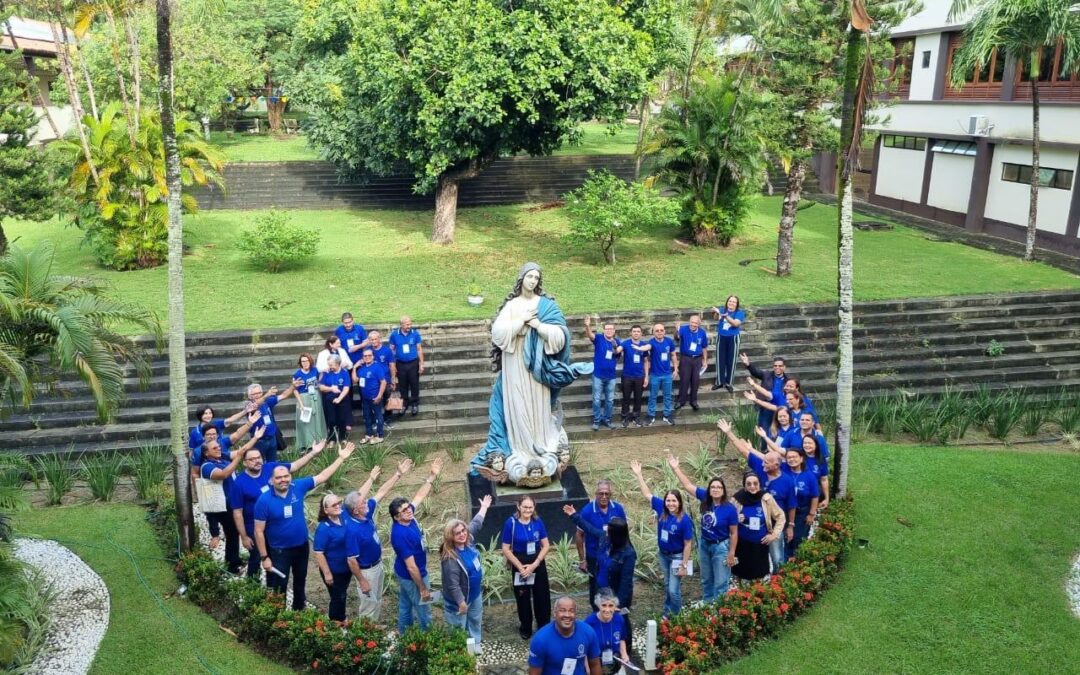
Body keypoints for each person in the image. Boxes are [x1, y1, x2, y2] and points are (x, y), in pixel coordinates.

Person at [470, 263, 589, 483]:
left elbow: (561, 335)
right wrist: (521, 322)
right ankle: (519, 449)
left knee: (538, 406)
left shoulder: (546, 306)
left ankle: (540, 447)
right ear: (521, 278)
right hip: (515, 366)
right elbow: (498, 333)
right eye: (529, 276)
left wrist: (537, 325)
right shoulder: (513, 305)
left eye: (537, 277)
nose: (533, 280)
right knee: (518, 406)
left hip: (537, 368)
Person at [253, 442, 355, 610]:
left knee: (300, 581)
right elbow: (258, 531)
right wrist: (265, 557)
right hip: (279, 550)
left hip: (301, 547)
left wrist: (341, 458)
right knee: (280, 585)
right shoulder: (263, 501)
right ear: (271, 480)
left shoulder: (298, 487)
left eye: (286, 476)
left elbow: (322, 476)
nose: (283, 480)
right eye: (278, 477)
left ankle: (299, 611)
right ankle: (278, 618)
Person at [230, 440, 326, 578]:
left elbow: (294, 466)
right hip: (255, 528)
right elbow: (237, 513)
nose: (257, 461)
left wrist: (314, 452)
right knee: (257, 558)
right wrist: (244, 537)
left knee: (274, 562)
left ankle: (273, 587)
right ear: (244, 462)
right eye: (252, 459)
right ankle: (252, 588)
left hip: (275, 526)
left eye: (259, 458)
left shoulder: (271, 468)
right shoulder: (239, 483)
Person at [344, 458, 415, 619]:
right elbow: (351, 561)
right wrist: (362, 581)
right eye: (363, 502)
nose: (367, 502)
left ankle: (373, 630)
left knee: (377, 600)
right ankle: (366, 639)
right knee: (368, 605)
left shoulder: (365, 514)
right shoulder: (352, 531)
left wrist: (398, 474)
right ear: (356, 510)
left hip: (377, 565)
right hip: (366, 571)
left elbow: (381, 492)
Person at [721, 421, 796, 570]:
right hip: (758, 523)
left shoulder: (787, 481)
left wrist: (790, 526)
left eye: (766, 463)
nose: (762, 465)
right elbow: (744, 451)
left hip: (775, 526)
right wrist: (729, 433)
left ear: (776, 465)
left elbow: (791, 505)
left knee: (777, 559)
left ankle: (779, 586)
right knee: (756, 560)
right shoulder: (761, 470)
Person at [667, 454, 739, 602]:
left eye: (719, 487)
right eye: (713, 487)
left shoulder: (730, 509)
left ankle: (720, 612)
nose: (716, 489)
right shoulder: (705, 498)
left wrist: (731, 553)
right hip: (705, 544)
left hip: (721, 547)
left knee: (720, 582)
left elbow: (734, 533)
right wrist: (676, 468)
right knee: (706, 580)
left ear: (723, 490)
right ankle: (707, 610)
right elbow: (688, 486)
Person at [564, 508, 636, 654]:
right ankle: (603, 644)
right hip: (601, 589)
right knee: (602, 616)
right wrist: (574, 515)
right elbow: (589, 529)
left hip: (616, 595)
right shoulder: (605, 538)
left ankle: (625, 648)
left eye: (609, 531)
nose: (606, 532)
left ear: (617, 535)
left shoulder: (628, 554)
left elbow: (626, 581)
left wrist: (618, 604)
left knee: (620, 621)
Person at [629, 460, 693, 616]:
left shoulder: (684, 520)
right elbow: (647, 494)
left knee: (673, 589)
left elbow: (688, 544)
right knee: (667, 585)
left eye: (674, 501)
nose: (671, 503)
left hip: (677, 556)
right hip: (663, 555)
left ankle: (676, 617)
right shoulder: (661, 509)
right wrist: (639, 475)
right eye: (668, 500)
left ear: (679, 502)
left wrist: (684, 564)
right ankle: (667, 612)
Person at [198, 420, 263, 574]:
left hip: (231, 501)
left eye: (219, 446)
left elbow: (242, 451)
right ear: (206, 453)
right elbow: (224, 474)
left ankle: (235, 560)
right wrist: (238, 459)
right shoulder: (207, 466)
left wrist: (256, 438)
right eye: (215, 448)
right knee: (232, 532)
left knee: (233, 533)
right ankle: (233, 564)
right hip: (222, 505)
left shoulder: (223, 457)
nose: (219, 448)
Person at [389, 457, 444, 633]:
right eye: (404, 510)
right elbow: (411, 567)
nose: (409, 510)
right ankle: (427, 642)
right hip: (413, 576)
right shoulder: (400, 534)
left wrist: (432, 476)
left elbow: (420, 495)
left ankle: (405, 635)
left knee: (405, 605)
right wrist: (422, 588)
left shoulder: (408, 519)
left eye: (408, 507)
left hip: (405, 574)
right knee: (424, 608)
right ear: (396, 517)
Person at [440, 495, 493, 649]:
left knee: (475, 621)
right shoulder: (450, 558)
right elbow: (453, 585)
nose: (462, 534)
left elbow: (476, 524)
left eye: (463, 530)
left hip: (474, 594)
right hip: (459, 601)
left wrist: (484, 507)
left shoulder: (468, 541)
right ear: (451, 537)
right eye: (458, 533)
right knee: (458, 628)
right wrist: (461, 603)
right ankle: (460, 653)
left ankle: (475, 647)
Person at [502, 495, 553, 639]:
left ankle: (544, 627)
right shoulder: (510, 523)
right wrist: (520, 567)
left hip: (537, 562)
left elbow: (546, 545)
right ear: (518, 506)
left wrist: (535, 564)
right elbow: (505, 548)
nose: (528, 510)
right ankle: (526, 627)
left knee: (542, 597)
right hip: (520, 563)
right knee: (522, 597)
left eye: (530, 507)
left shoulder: (537, 521)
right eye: (525, 507)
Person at [574, 480, 627, 606]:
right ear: (595, 494)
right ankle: (597, 612)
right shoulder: (587, 511)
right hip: (594, 557)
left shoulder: (618, 509)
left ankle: (613, 610)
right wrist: (582, 560)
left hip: (614, 555)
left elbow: (624, 532)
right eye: (601, 493)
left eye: (607, 494)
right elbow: (579, 535)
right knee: (596, 587)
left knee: (615, 583)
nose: (604, 497)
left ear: (610, 494)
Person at [730, 472, 784, 583]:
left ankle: (758, 597)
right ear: (744, 485)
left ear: (759, 484)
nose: (752, 486)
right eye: (748, 484)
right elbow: (727, 519)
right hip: (742, 544)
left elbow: (780, 516)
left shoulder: (766, 498)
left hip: (760, 543)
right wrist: (735, 518)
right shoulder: (736, 499)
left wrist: (774, 534)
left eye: (755, 483)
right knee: (743, 574)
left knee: (760, 575)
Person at [527, 596, 602, 675]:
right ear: (554, 613)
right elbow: (534, 672)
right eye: (562, 610)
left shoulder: (588, 632)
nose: (567, 615)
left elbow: (595, 665)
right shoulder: (540, 640)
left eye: (571, 611)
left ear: (575, 613)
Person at [313, 492, 353, 621]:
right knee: (337, 597)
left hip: (346, 568)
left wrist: (370, 479)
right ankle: (336, 622)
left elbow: (358, 496)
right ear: (326, 510)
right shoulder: (323, 529)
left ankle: (341, 618)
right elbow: (319, 553)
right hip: (334, 570)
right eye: (334, 505)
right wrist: (327, 573)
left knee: (342, 594)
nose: (338, 506)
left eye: (339, 503)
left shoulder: (343, 516)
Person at [779, 447, 820, 560]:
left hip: (802, 512)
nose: (792, 459)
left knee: (798, 538)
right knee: (787, 537)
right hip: (785, 511)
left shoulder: (809, 476)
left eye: (794, 457)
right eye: (789, 457)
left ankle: (798, 563)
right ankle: (786, 561)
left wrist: (811, 514)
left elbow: (815, 496)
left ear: (801, 458)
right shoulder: (783, 470)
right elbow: (767, 459)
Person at [246, 381, 296, 463]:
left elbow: (283, 395)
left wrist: (293, 386)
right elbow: (255, 405)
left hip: (272, 438)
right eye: (254, 394)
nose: (258, 395)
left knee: (272, 463)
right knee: (259, 464)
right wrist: (266, 395)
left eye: (259, 393)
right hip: (259, 441)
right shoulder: (248, 406)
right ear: (249, 396)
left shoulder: (267, 402)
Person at [583, 589, 631, 675]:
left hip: (615, 662)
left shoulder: (619, 619)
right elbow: (585, 646)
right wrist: (586, 666)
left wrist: (624, 654)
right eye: (604, 605)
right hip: (595, 664)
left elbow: (621, 639)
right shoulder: (589, 622)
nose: (607, 609)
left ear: (615, 606)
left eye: (611, 605)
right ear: (598, 605)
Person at [584, 317, 620, 431]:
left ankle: (607, 419)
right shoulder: (599, 338)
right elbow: (590, 335)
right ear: (604, 330)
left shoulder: (617, 342)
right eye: (607, 329)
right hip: (598, 375)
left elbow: (617, 353)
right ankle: (597, 420)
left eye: (611, 329)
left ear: (614, 331)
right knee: (596, 399)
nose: (609, 331)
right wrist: (587, 326)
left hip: (611, 376)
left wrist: (615, 346)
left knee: (610, 400)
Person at [741, 353, 789, 435]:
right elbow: (756, 372)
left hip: (780, 410)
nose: (777, 367)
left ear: (784, 367)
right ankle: (763, 448)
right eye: (775, 366)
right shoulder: (767, 375)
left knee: (779, 433)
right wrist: (748, 364)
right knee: (764, 432)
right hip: (765, 408)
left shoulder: (788, 380)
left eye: (780, 366)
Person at [388, 316, 424, 416]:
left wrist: (421, 364)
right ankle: (404, 403)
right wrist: (393, 365)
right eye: (407, 324)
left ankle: (415, 404)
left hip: (413, 363)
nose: (409, 326)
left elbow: (419, 349)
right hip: (400, 363)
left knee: (414, 383)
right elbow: (392, 350)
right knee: (402, 385)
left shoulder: (415, 333)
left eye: (410, 324)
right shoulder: (394, 335)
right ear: (401, 324)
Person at [292, 353, 327, 449]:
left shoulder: (315, 371)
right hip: (304, 398)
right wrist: (301, 403)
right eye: (303, 361)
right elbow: (295, 390)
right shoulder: (297, 374)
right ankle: (307, 443)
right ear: (300, 363)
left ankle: (320, 441)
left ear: (310, 361)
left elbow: (320, 379)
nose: (305, 363)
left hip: (316, 397)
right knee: (306, 422)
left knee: (317, 420)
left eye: (307, 361)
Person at [353, 348, 388, 444]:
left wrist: (379, 395)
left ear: (373, 356)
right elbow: (355, 380)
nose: (367, 357)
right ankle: (369, 434)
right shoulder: (362, 368)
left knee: (378, 416)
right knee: (367, 416)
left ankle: (380, 436)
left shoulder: (377, 367)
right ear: (363, 357)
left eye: (369, 355)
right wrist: (355, 368)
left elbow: (383, 382)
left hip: (375, 397)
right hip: (365, 398)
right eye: (365, 356)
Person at [645, 323, 677, 426]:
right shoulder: (651, 342)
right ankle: (651, 416)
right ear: (653, 332)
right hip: (655, 375)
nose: (659, 332)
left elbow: (673, 355)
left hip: (667, 374)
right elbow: (647, 348)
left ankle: (667, 415)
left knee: (667, 396)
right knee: (652, 396)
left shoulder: (669, 341)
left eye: (661, 330)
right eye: (657, 330)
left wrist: (676, 369)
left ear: (664, 331)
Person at [711, 296, 746, 393]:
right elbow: (716, 318)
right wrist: (715, 312)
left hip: (733, 338)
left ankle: (729, 382)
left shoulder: (739, 313)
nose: (731, 303)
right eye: (730, 301)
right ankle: (719, 382)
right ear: (727, 302)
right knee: (720, 360)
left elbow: (735, 324)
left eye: (734, 302)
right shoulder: (722, 309)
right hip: (721, 337)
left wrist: (725, 315)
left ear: (737, 304)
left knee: (732, 360)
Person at [674, 314, 708, 411]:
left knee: (695, 381)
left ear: (699, 324)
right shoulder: (683, 329)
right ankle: (681, 401)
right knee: (684, 380)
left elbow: (704, 347)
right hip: (686, 358)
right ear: (689, 322)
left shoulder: (702, 332)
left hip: (697, 359)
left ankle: (694, 401)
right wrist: (677, 329)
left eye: (696, 323)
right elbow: (677, 337)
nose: (693, 324)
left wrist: (705, 360)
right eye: (692, 322)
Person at [366, 330, 396, 430]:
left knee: (388, 400)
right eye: (371, 339)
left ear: (379, 339)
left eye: (375, 339)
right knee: (374, 402)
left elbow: (392, 365)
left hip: (386, 380)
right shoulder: (368, 351)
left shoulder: (387, 350)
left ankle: (388, 420)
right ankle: (376, 421)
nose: (374, 341)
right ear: (369, 340)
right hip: (373, 382)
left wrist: (393, 379)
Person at [619, 325, 648, 428]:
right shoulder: (626, 343)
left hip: (639, 376)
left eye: (638, 331)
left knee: (638, 398)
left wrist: (646, 376)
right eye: (634, 331)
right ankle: (625, 417)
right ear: (630, 333)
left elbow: (645, 361)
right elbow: (618, 350)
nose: (636, 333)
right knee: (626, 398)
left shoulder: (644, 345)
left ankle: (636, 417)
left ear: (641, 333)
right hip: (627, 376)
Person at [319, 355, 352, 443]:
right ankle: (332, 439)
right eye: (329, 364)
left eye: (331, 365)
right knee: (331, 419)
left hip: (342, 399)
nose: (330, 367)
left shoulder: (344, 373)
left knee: (342, 419)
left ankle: (343, 437)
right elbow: (321, 387)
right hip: (329, 399)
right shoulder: (327, 372)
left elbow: (346, 388)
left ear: (338, 364)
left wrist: (339, 399)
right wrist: (331, 389)